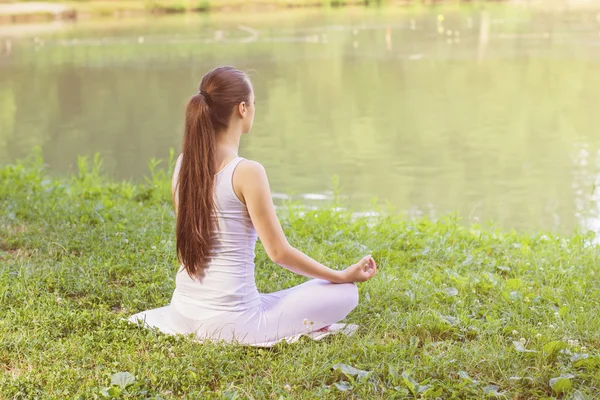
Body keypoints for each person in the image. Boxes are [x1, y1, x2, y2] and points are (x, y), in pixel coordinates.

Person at [134, 66, 377, 346]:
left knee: (279, 298)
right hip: (232, 324)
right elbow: (278, 253)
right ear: (242, 109)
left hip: (183, 312)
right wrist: (340, 275)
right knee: (346, 292)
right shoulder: (247, 172)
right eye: (254, 103)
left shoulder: (182, 165)